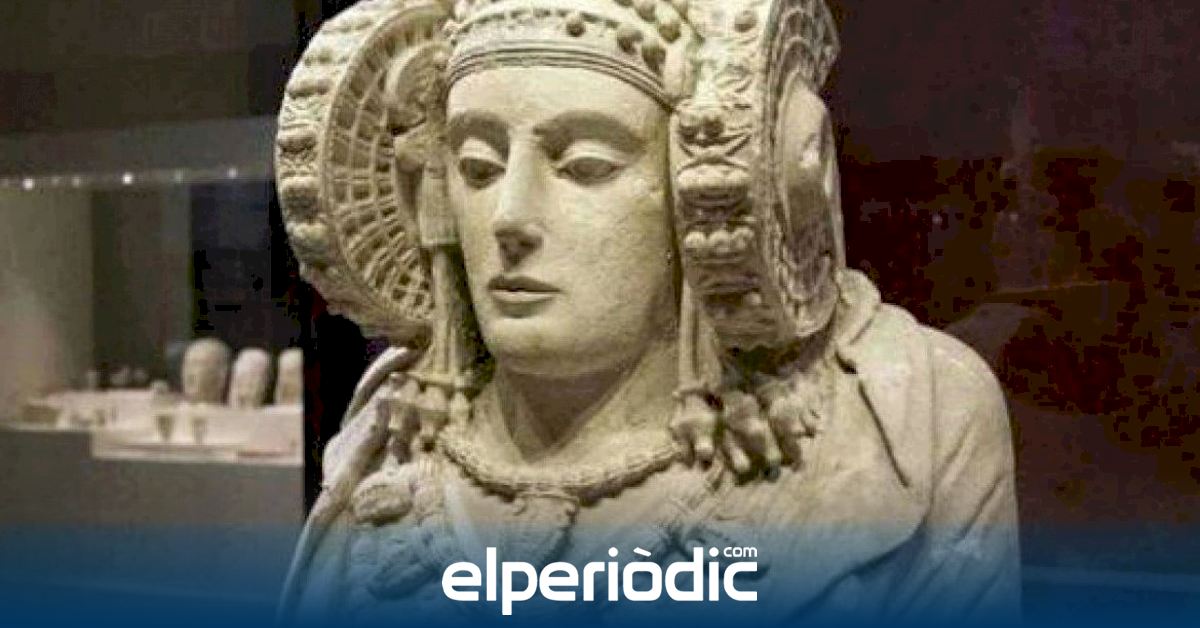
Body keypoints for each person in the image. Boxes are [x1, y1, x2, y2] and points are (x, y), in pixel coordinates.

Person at [274, 0, 1020, 623]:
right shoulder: (391, 433)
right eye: (478, 168)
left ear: (712, 185)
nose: (510, 217)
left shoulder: (906, 419)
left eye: (585, 166)